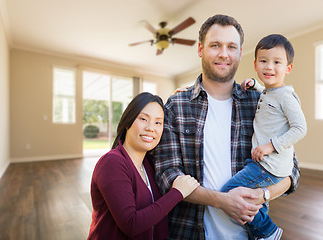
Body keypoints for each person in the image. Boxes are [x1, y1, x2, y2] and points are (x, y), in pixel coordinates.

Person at [153, 14, 300, 240]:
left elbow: (291, 169)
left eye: (231, 46)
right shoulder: (177, 105)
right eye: (215, 45)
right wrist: (223, 201)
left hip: (248, 234)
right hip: (189, 232)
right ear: (200, 49)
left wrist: (264, 194)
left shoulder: (258, 102)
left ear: (240, 53)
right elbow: (167, 174)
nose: (224, 53)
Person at [220, 34, 307, 240]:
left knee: (229, 192)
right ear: (256, 64)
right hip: (262, 162)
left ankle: (267, 230)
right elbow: (269, 99)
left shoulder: (286, 96)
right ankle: (260, 236)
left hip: (268, 165)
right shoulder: (269, 92)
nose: (269, 66)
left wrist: (271, 146)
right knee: (259, 203)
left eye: (277, 62)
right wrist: (254, 86)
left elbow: (300, 128)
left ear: (288, 69)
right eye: (263, 61)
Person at [87, 92, 200, 240]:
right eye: (143, 119)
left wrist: (187, 96)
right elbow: (131, 224)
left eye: (158, 122)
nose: (150, 128)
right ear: (128, 121)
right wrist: (177, 192)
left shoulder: (149, 163)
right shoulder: (112, 163)